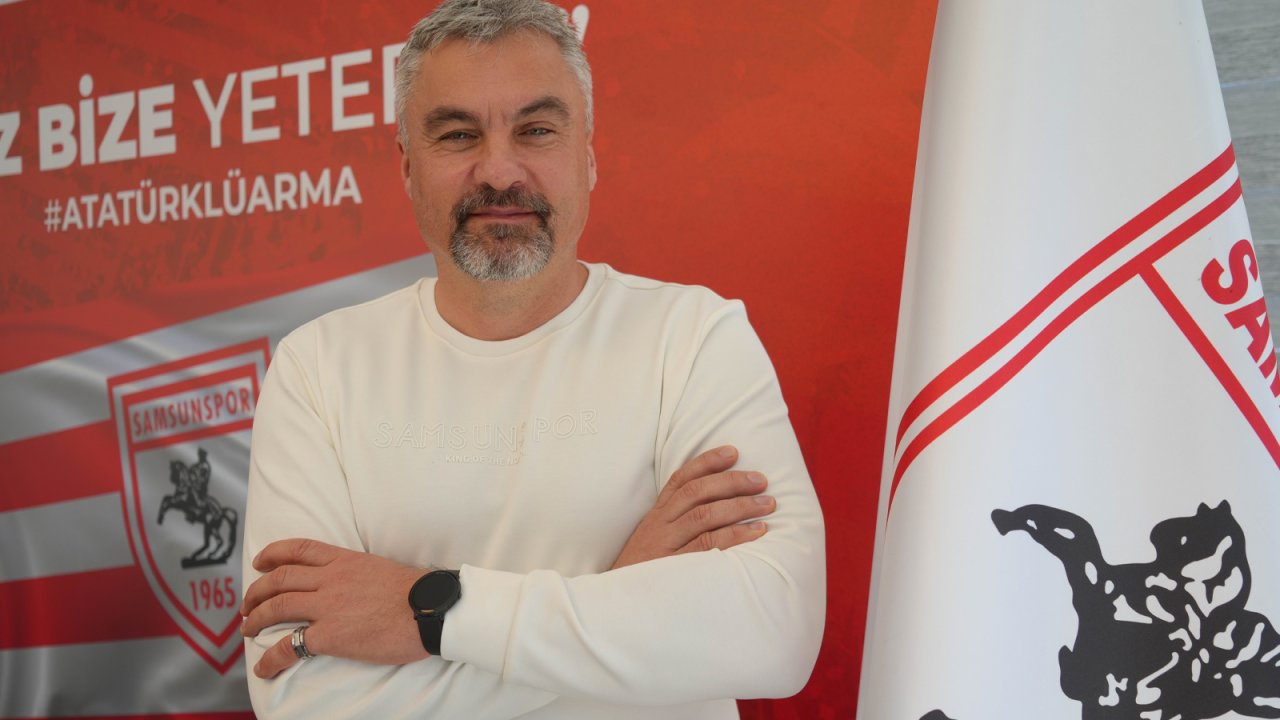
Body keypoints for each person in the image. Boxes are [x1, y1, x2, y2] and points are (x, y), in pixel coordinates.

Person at [238, 1, 825, 717]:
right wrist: (618, 592)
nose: (498, 169)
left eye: (536, 130)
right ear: (408, 168)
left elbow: (773, 634)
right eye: (458, 134)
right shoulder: (318, 369)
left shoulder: (694, 336)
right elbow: (303, 699)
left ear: (587, 155)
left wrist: (430, 612)